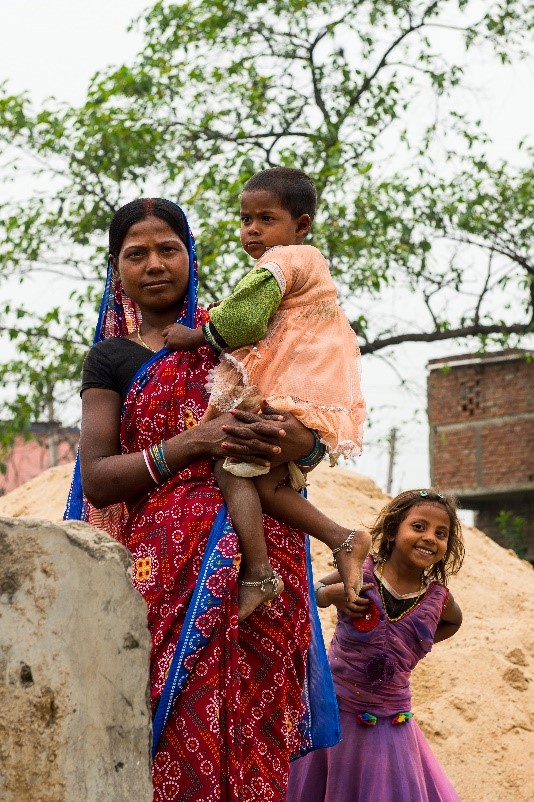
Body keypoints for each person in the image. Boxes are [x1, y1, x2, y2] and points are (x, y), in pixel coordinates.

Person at [65, 197, 341, 802]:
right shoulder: (111, 359)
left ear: (192, 257)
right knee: (169, 713)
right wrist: (190, 442)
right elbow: (99, 479)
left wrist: (290, 438)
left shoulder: (241, 336)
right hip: (164, 567)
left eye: (169, 249)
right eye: (136, 255)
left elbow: (311, 423)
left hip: (262, 560)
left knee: (256, 722)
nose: (155, 264)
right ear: (117, 272)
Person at [163, 167, 369, 621]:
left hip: (295, 398)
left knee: (230, 468)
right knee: (266, 483)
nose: (251, 229)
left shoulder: (284, 262)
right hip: (310, 403)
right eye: (245, 219)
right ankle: (343, 538)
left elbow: (243, 322)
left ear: (301, 225)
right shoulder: (307, 270)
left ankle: (258, 572)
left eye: (265, 218)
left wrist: (196, 336)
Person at [287, 488, 465, 802]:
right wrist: (330, 596)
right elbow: (311, 589)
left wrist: (414, 644)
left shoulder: (438, 598)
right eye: (419, 527)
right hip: (335, 714)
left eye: (441, 533)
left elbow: (454, 621)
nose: (429, 538)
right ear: (395, 530)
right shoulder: (363, 571)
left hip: (391, 726)